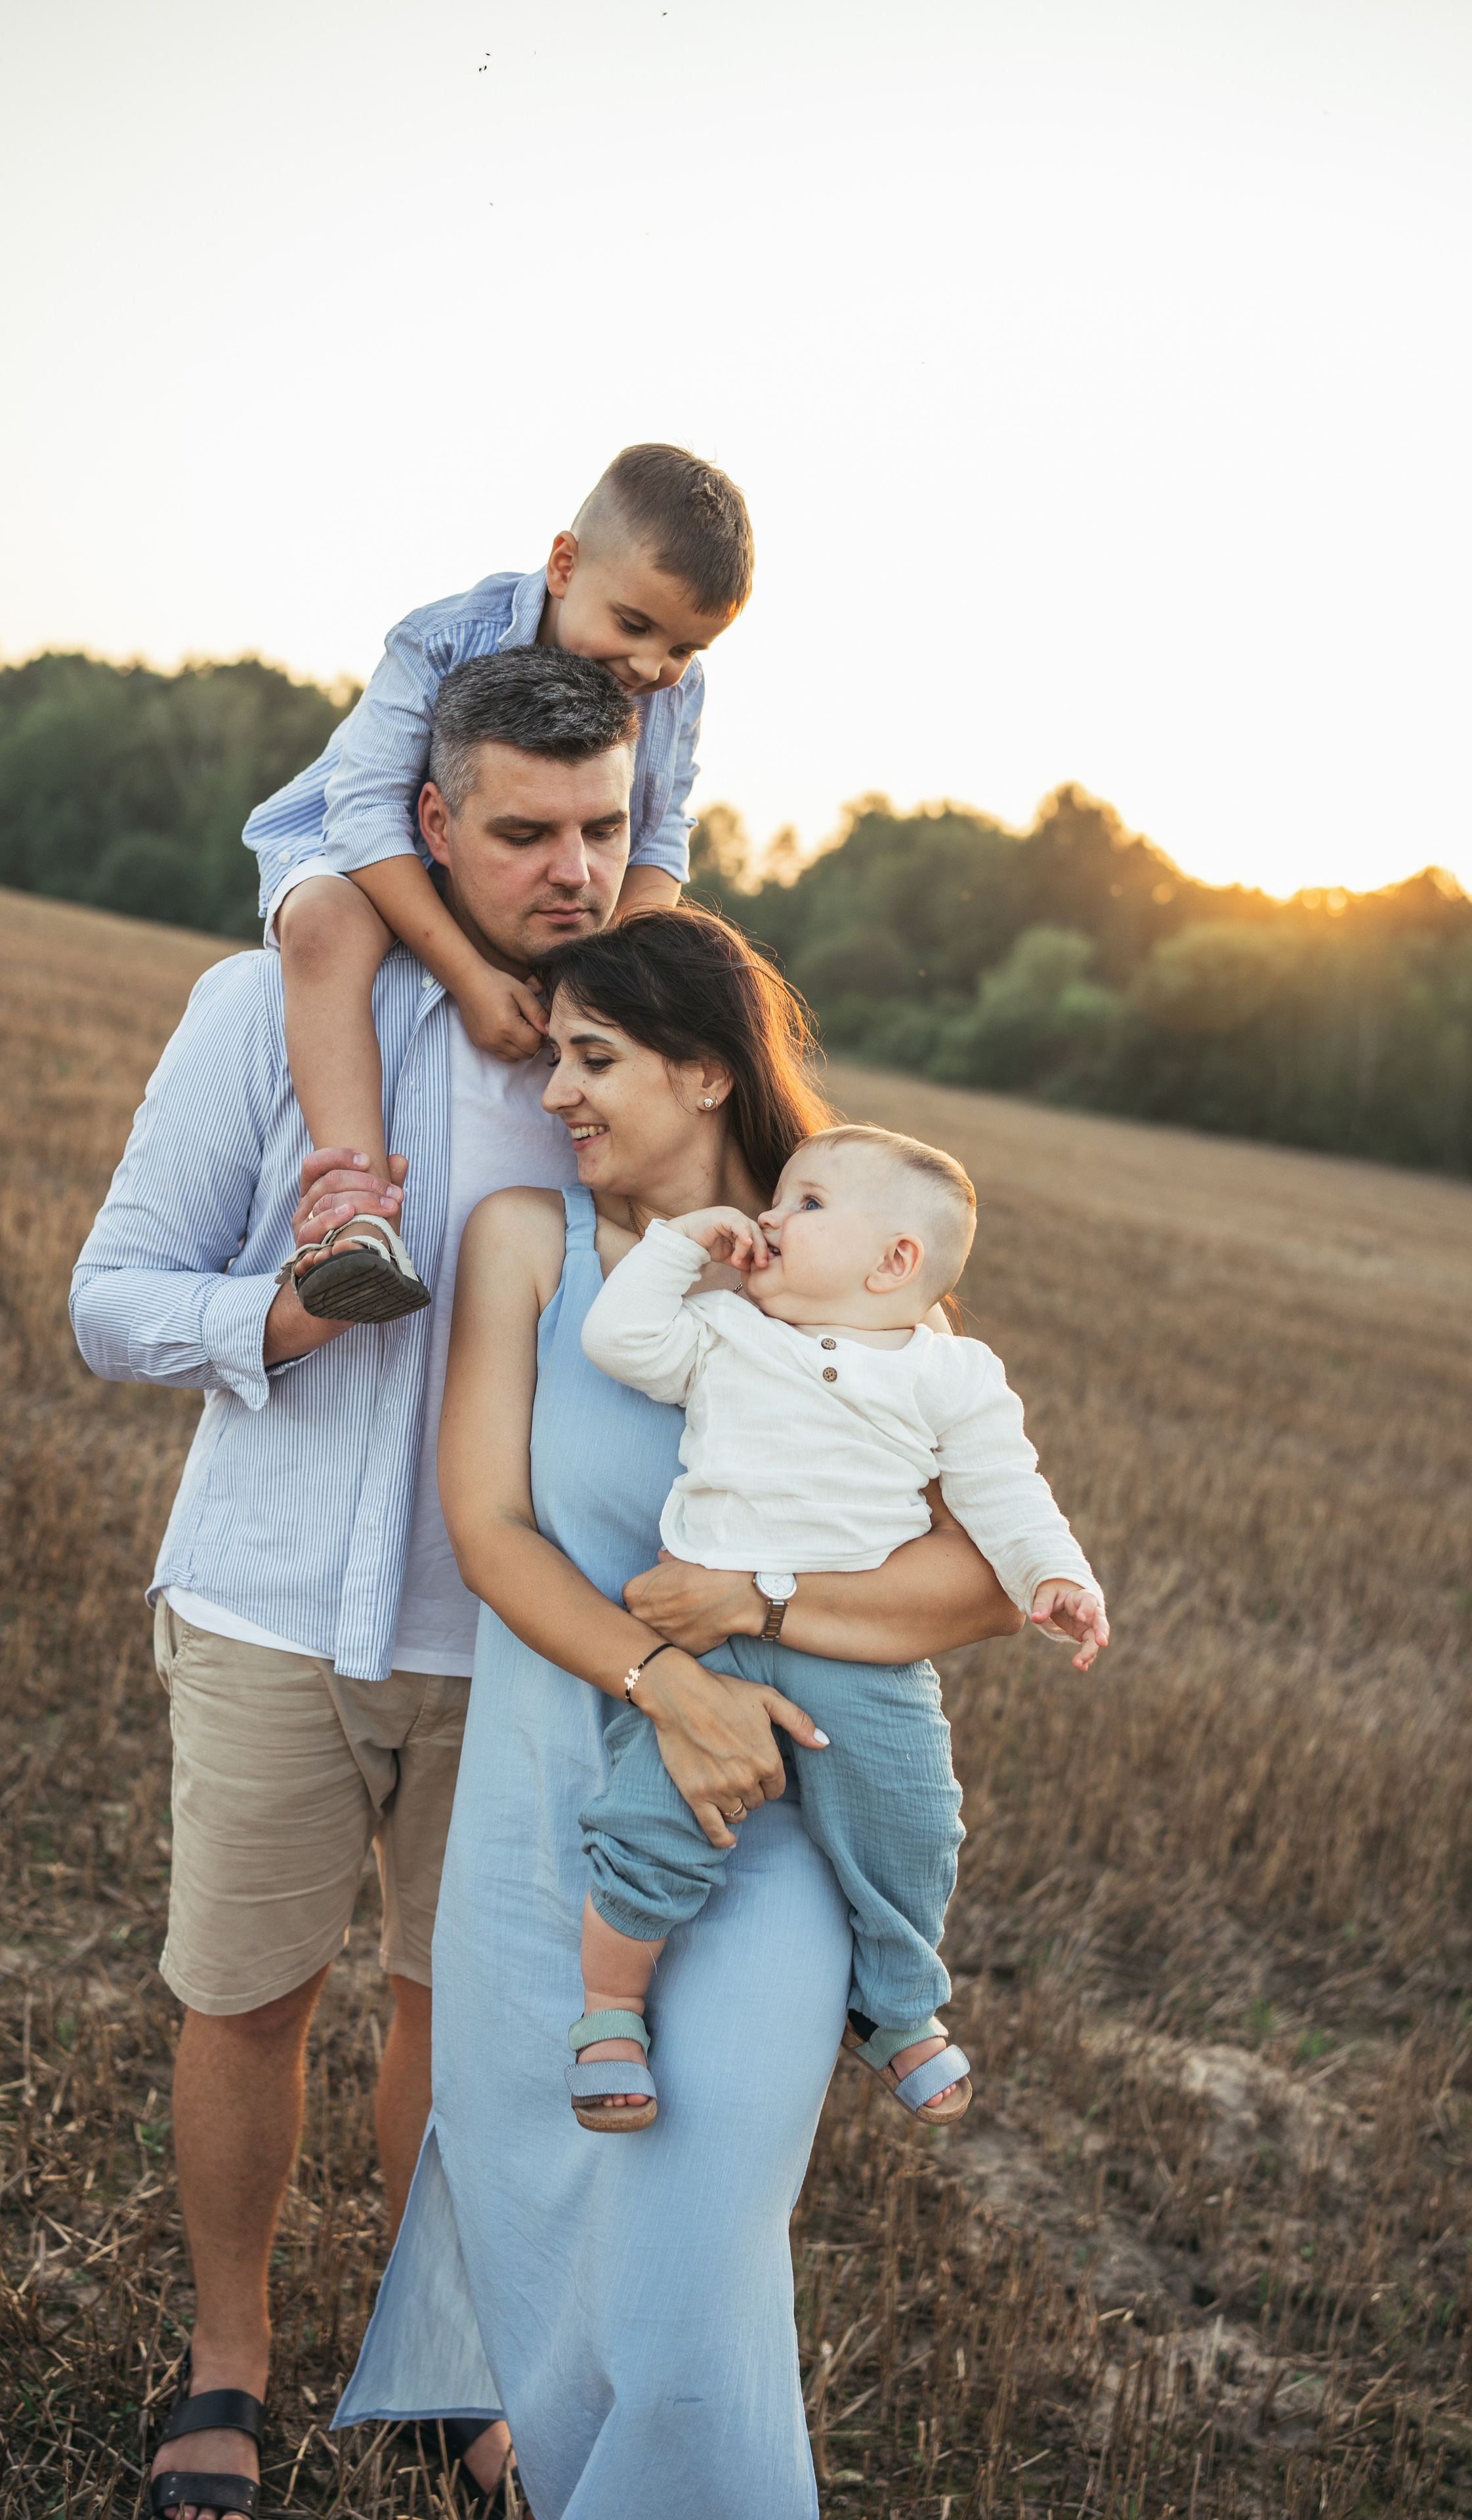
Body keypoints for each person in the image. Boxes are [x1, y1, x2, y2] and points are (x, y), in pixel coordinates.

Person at [331, 909, 1026, 2520]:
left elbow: (983, 1576)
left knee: (696, 2239)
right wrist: (665, 1685)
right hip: (542, 1798)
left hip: (772, 1819)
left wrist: (759, 1619)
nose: (555, 1092)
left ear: (705, 1071)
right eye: (551, 1057)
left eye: (594, 1058)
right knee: (544, 2203)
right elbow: (491, 1531)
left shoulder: (848, 1276)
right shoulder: (524, 1238)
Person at [68, 648, 646, 2520]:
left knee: (460, 2026)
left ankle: (450, 2362)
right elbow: (111, 1302)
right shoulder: (267, 1005)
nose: (573, 869)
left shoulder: (632, 1047)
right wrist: (292, 1313)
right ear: (429, 822)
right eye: (527, 831)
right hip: (269, 1612)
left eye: (607, 828)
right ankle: (224, 2358)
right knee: (246, 2000)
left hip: (520, 1643)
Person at [570, 1124, 1108, 2133]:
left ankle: (896, 2007)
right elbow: (620, 1341)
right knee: (653, 1817)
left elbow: (1005, 1490)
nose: (770, 1218)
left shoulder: (952, 1375)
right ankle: (608, 2012)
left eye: (806, 1204)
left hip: (863, 1654)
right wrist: (685, 1244)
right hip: (710, 1645)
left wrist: (1056, 1576)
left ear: (894, 1261)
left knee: (913, 1821)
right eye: (775, 1200)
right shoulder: (729, 1331)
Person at [241, 444, 753, 1322]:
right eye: (634, 626)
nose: (652, 669)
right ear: (563, 565)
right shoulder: (443, 634)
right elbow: (367, 815)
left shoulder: (678, 688)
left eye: (684, 647)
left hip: (498, 884)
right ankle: (357, 1214)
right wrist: (472, 980)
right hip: (359, 846)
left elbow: (661, 834)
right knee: (324, 924)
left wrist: (601, 969)